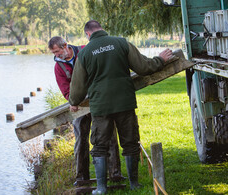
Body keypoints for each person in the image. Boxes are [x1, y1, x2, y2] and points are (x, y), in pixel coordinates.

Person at [69, 20, 173, 194]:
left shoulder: (85, 53)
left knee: (100, 145)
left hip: (101, 106)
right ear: (102, 29)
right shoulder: (121, 43)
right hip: (124, 102)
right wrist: (160, 60)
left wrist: (74, 101)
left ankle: (101, 188)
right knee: (130, 142)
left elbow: (78, 86)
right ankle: (134, 184)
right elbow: (143, 67)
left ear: (88, 34)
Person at [48, 36, 124, 186]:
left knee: (109, 136)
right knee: (81, 139)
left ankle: (115, 173)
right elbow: (64, 88)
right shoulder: (59, 67)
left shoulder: (86, 50)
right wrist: (72, 100)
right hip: (80, 106)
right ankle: (81, 177)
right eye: (53, 53)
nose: (56, 55)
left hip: (101, 101)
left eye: (57, 51)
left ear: (65, 46)